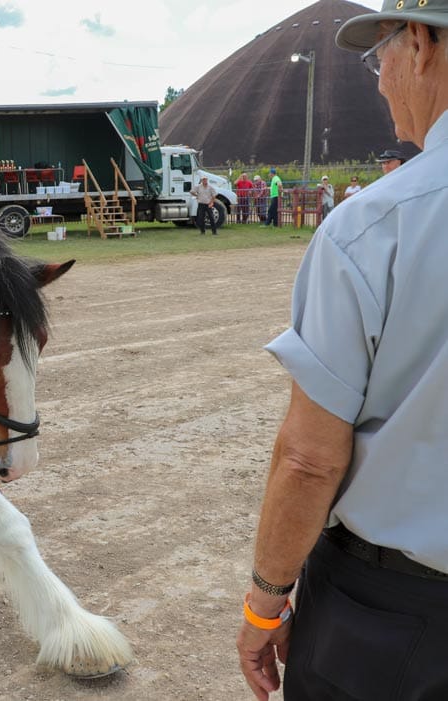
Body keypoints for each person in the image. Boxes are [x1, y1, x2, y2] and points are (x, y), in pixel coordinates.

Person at [237, 4, 448, 700]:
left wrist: (264, 603)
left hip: (391, 616)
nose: (380, 81)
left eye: (378, 56)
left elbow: (309, 456)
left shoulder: (374, 227)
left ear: (419, 44)